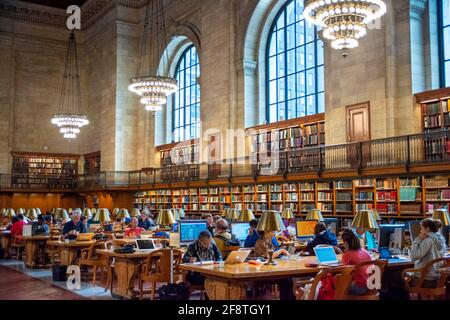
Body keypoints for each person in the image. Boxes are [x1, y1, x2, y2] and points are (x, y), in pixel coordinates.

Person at [253, 230, 293, 300]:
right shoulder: (261, 242)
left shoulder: (269, 241)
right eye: (273, 232)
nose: (274, 233)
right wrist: (281, 250)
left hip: (269, 269)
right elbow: (269, 256)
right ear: (266, 232)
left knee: (288, 278)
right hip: (261, 272)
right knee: (285, 279)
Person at [409, 218, 447, 288]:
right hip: (437, 278)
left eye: (422, 228)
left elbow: (413, 257)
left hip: (424, 279)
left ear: (428, 229)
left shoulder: (428, 241)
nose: (420, 231)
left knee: (395, 277)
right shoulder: (442, 240)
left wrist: (417, 240)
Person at [341, 227, 373, 295]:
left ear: (346, 242)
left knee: (335, 285)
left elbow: (345, 275)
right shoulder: (365, 252)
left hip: (358, 287)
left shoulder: (346, 255)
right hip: (370, 286)